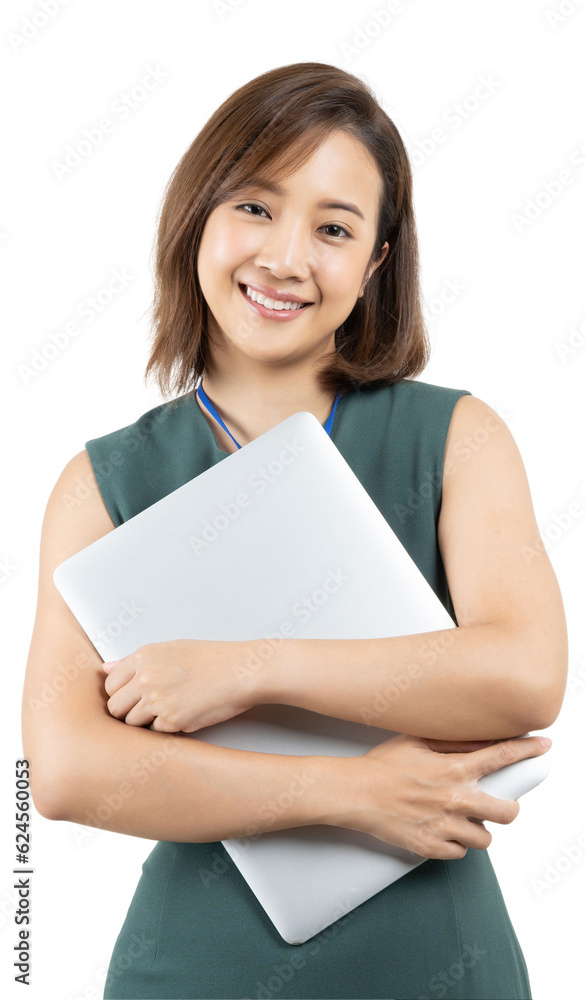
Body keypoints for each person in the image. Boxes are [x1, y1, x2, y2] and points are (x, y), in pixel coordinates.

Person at [22, 61, 567, 1000]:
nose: (285, 258)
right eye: (255, 207)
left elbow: (522, 674)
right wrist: (352, 795)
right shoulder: (99, 483)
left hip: (441, 968)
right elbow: (66, 772)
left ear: (375, 264)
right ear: (199, 214)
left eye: (333, 229)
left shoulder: (454, 436)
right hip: (192, 973)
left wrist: (248, 667)